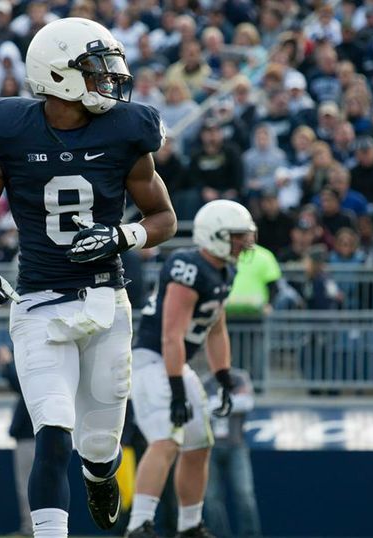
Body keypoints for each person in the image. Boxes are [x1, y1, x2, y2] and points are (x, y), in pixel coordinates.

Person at [0, 18, 176, 537]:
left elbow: (163, 217)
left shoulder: (126, 131)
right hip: (38, 304)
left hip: (106, 302)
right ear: (58, 75)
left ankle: (100, 474)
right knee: (53, 433)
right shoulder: (8, 129)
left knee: (99, 447)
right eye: (95, 68)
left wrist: (123, 236)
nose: (110, 78)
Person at [126, 200, 255, 538]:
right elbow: (170, 334)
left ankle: (190, 525)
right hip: (153, 360)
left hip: (174, 362)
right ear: (216, 235)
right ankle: (139, 524)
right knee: (167, 440)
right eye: (238, 236)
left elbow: (216, 327)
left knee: (199, 443)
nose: (245, 243)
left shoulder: (225, 269)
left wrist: (224, 376)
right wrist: (178, 392)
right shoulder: (187, 266)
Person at [202, 367, 261, 538]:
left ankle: (251, 534)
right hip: (211, 447)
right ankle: (218, 535)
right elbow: (201, 408)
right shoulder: (206, 381)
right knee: (211, 498)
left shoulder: (239, 377)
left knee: (244, 493)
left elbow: (247, 402)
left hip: (236, 445)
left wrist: (216, 403)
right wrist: (230, 402)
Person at [0, 344, 35, 536]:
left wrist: (7, 364)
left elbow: (18, 382)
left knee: (29, 485)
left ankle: (32, 528)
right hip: (39, 436)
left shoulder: (39, 372)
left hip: (32, 438)